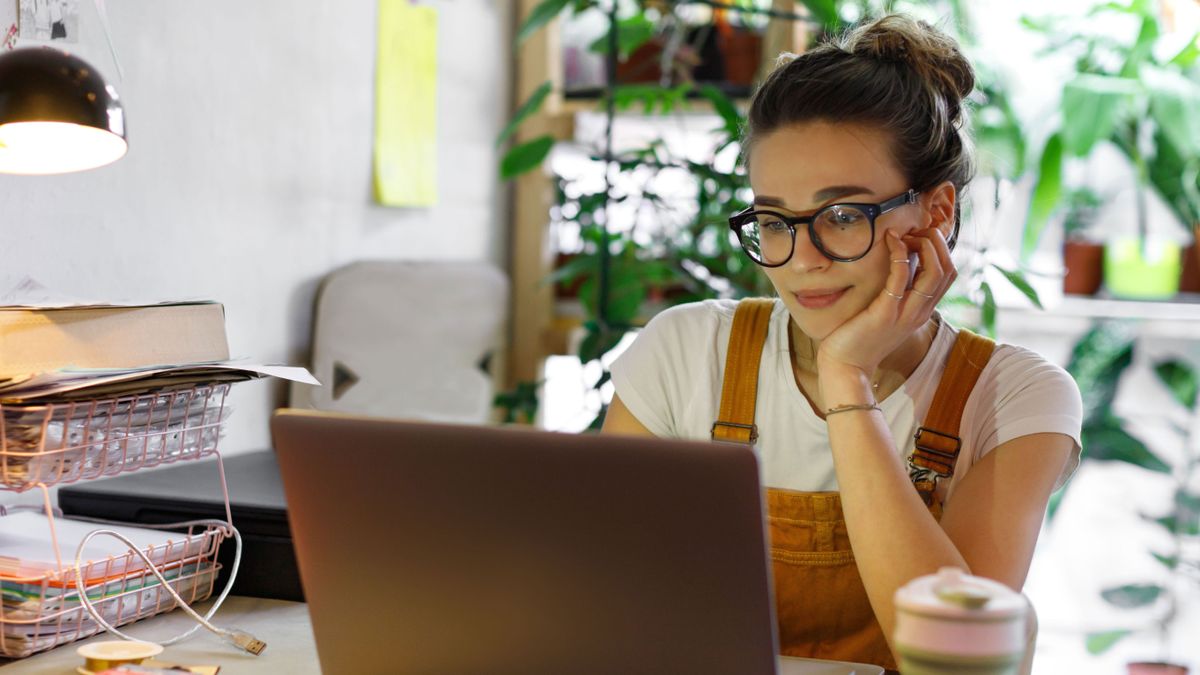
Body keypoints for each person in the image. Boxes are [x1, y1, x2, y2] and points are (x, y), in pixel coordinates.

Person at [601, 14, 1082, 672]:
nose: (801, 259)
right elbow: (596, 603)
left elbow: (958, 663)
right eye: (774, 220)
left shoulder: (1014, 398)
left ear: (935, 212)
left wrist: (847, 379)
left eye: (843, 216)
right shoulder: (685, 351)